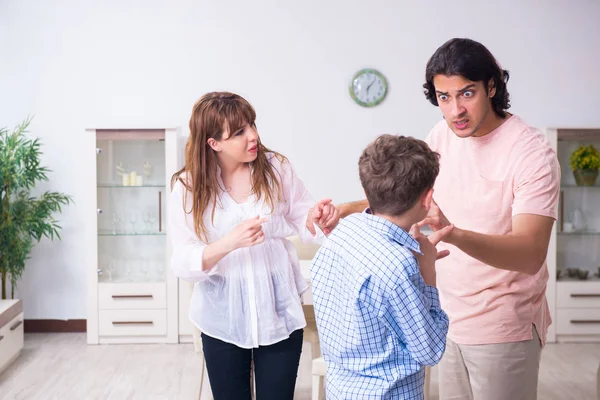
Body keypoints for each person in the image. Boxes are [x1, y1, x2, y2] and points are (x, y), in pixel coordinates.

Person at [320, 38, 560, 400]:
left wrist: (455, 234)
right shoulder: (442, 135)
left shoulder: (530, 153)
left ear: (491, 87)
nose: (455, 111)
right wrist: (346, 210)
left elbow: (530, 254)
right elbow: (402, 192)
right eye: (444, 97)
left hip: (502, 325)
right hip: (445, 319)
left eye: (467, 94)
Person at [169, 91, 339, 400]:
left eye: (252, 125)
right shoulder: (188, 187)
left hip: (279, 313)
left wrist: (319, 217)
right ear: (213, 143)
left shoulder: (276, 168)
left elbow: (304, 218)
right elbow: (182, 260)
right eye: (239, 132)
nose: (253, 136)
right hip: (221, 320)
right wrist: (228, 243)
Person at [310, 134, 452, 399]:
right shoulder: (399, 266)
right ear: (427, 198)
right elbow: (430, 350)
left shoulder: (342, 232)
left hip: (341, 390)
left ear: (366, 192)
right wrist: (428, 275)